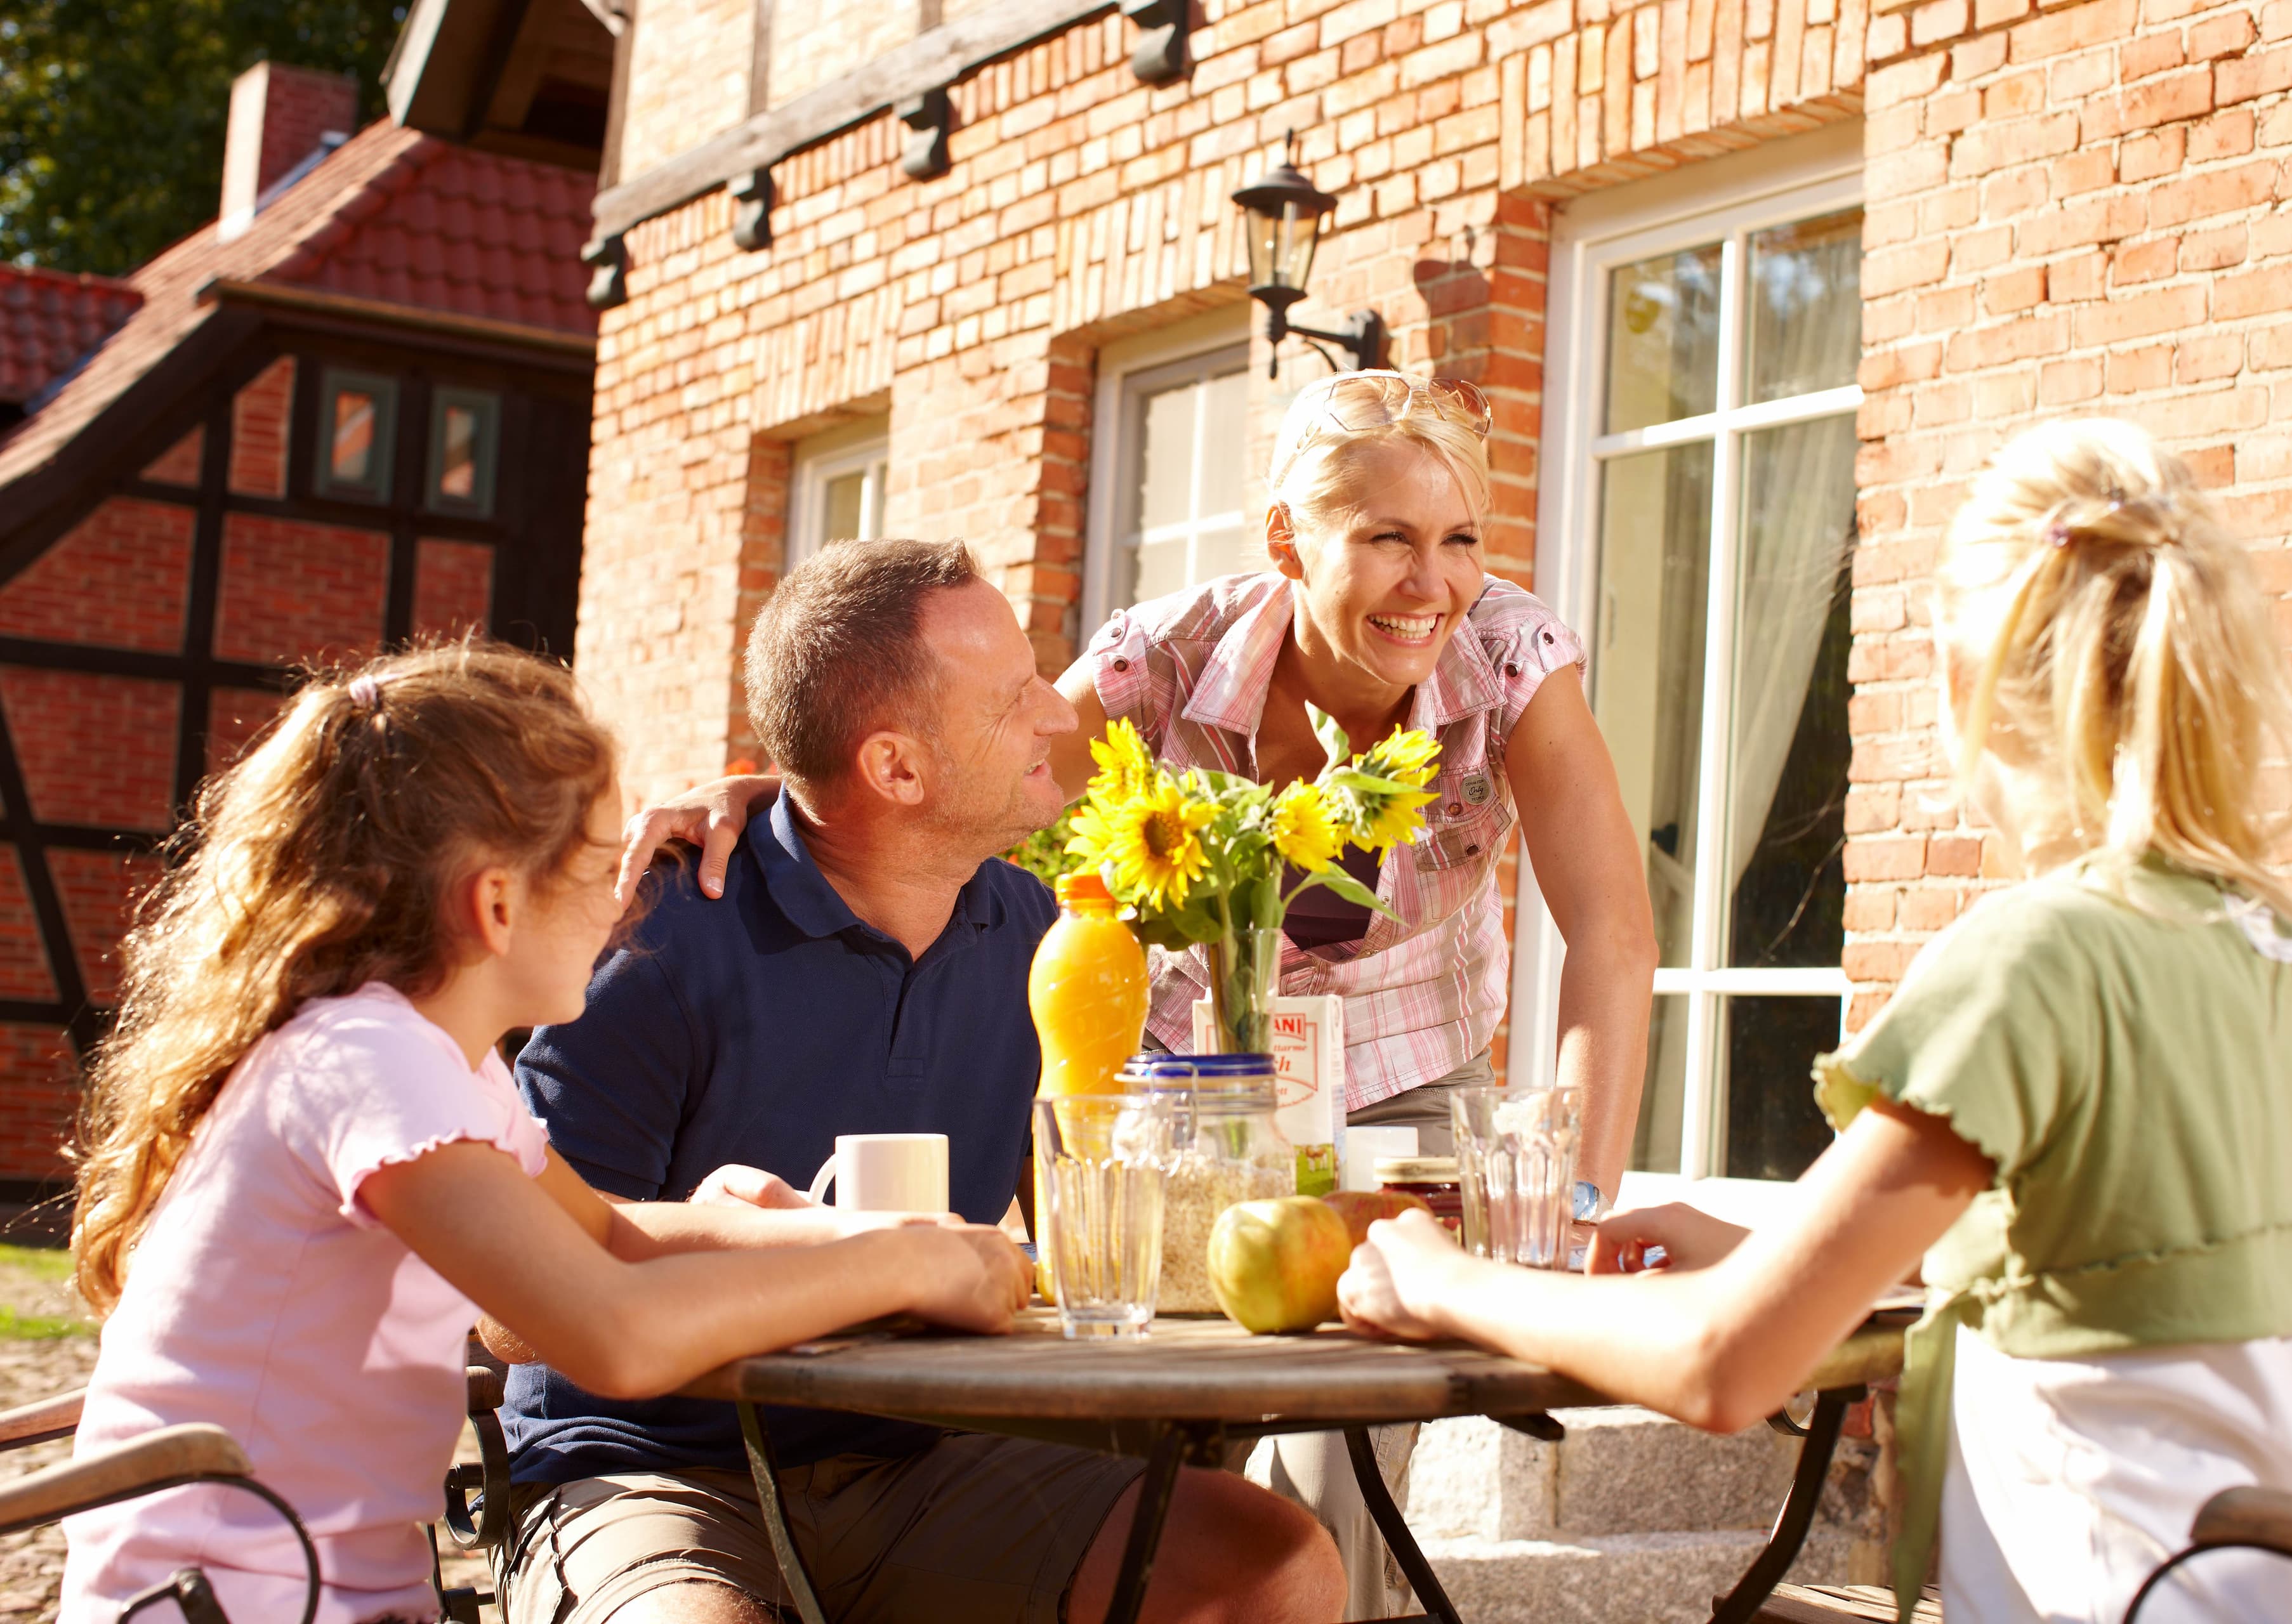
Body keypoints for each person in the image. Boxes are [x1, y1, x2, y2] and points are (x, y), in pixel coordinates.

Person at [618, 371, 1663, 1617]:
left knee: (1347, 1456)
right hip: (1179, 1095)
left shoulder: (1508, 658)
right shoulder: (1163, 660)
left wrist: (1581, 1206)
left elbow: (1609, 932)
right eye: (1387, 536)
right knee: (1117, 1438)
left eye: (1459, 539)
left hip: (1403, 1081)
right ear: (1288, 538)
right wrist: (759, 794)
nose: (1432, 582)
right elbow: (924, 779)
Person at [1336, 418, 2292, 1624]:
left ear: (1962, 684)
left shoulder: (2035, 958)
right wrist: (1753, 1247)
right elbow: (2090, 1274)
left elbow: (1723, 1367)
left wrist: (1441, 1278)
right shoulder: (2258, 945)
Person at [58, 643, 1032, 1624]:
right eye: (612, 868)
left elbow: (607, 1234)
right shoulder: (369, 1064)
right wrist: (910, 1268)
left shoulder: (444, 1062)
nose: (636, 902)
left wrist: (839, 1235)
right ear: (495, 903)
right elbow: (615, 1336)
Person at [504, 539, 1342, 1624]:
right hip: (654, 1467)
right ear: (896, 769)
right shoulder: (661, 937)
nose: (1059, 713)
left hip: (922, 1461)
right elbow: (518, 1307)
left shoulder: (1042, 934)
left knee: (1267, 1568)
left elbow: (1093, 1221)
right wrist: (840, 1252)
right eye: (1015, 698)